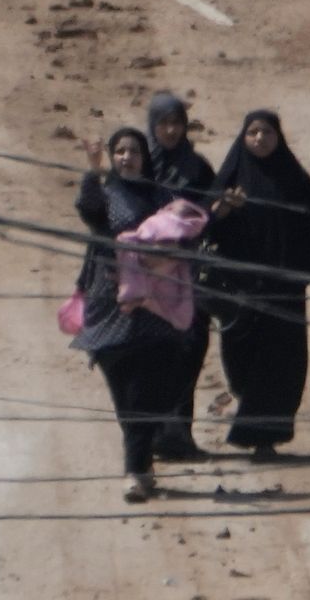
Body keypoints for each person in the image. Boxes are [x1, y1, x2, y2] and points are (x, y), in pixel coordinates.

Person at [73, 126, 206, 502]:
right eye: (120, 152)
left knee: (149, 390)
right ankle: (140, 464)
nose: (126, 157)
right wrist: (93, 168)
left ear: (145, 158)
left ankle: (136, 467)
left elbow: (186, 237)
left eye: (133, 151)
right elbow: (89, 211)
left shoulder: (163, 198)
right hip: (111, 306)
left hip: (158, 308)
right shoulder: (107, 195)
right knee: (124, 393)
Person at [205, 108, 310, 455]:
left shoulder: (293, 180)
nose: (260, 139)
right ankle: (247, 411)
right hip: (239, 288)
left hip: (284, 289)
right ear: (243, 137)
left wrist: (303, 267)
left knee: (281, 365)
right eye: (254, 132)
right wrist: (224, 210)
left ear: (279, 138)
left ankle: (265, 440)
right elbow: (204, 226)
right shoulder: (231, 177)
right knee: (239, 360)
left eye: (268, 133)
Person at [142, 93, 221, 460]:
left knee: (188, 349)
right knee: (151, 355)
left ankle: (179, 434)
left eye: (177, 123)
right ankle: (151, 435)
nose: (171, 130)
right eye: (164, 123)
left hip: (189, 275)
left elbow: (210, 214)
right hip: (146, 276)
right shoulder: (141, 165)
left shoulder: (197, 168)